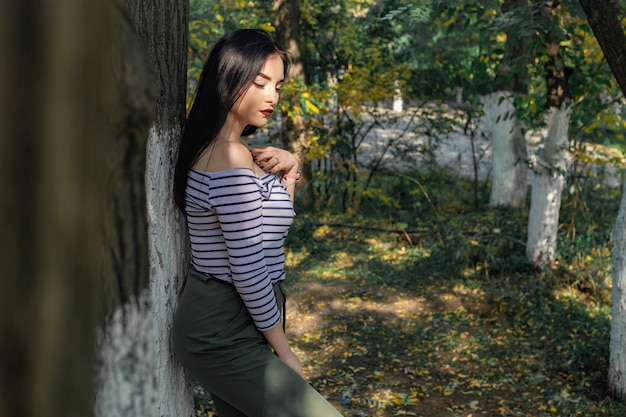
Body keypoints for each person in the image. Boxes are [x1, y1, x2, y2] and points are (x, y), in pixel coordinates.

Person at [171, 29, 343, 417]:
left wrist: (291, 169)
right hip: (220, 330)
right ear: (227, 79)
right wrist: (285, 352)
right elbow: (248, 269)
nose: (273, 97)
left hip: (241, 321)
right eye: (260, 82)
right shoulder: (228, 160)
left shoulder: (235, 153)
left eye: (278, 85)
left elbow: (270, 238)